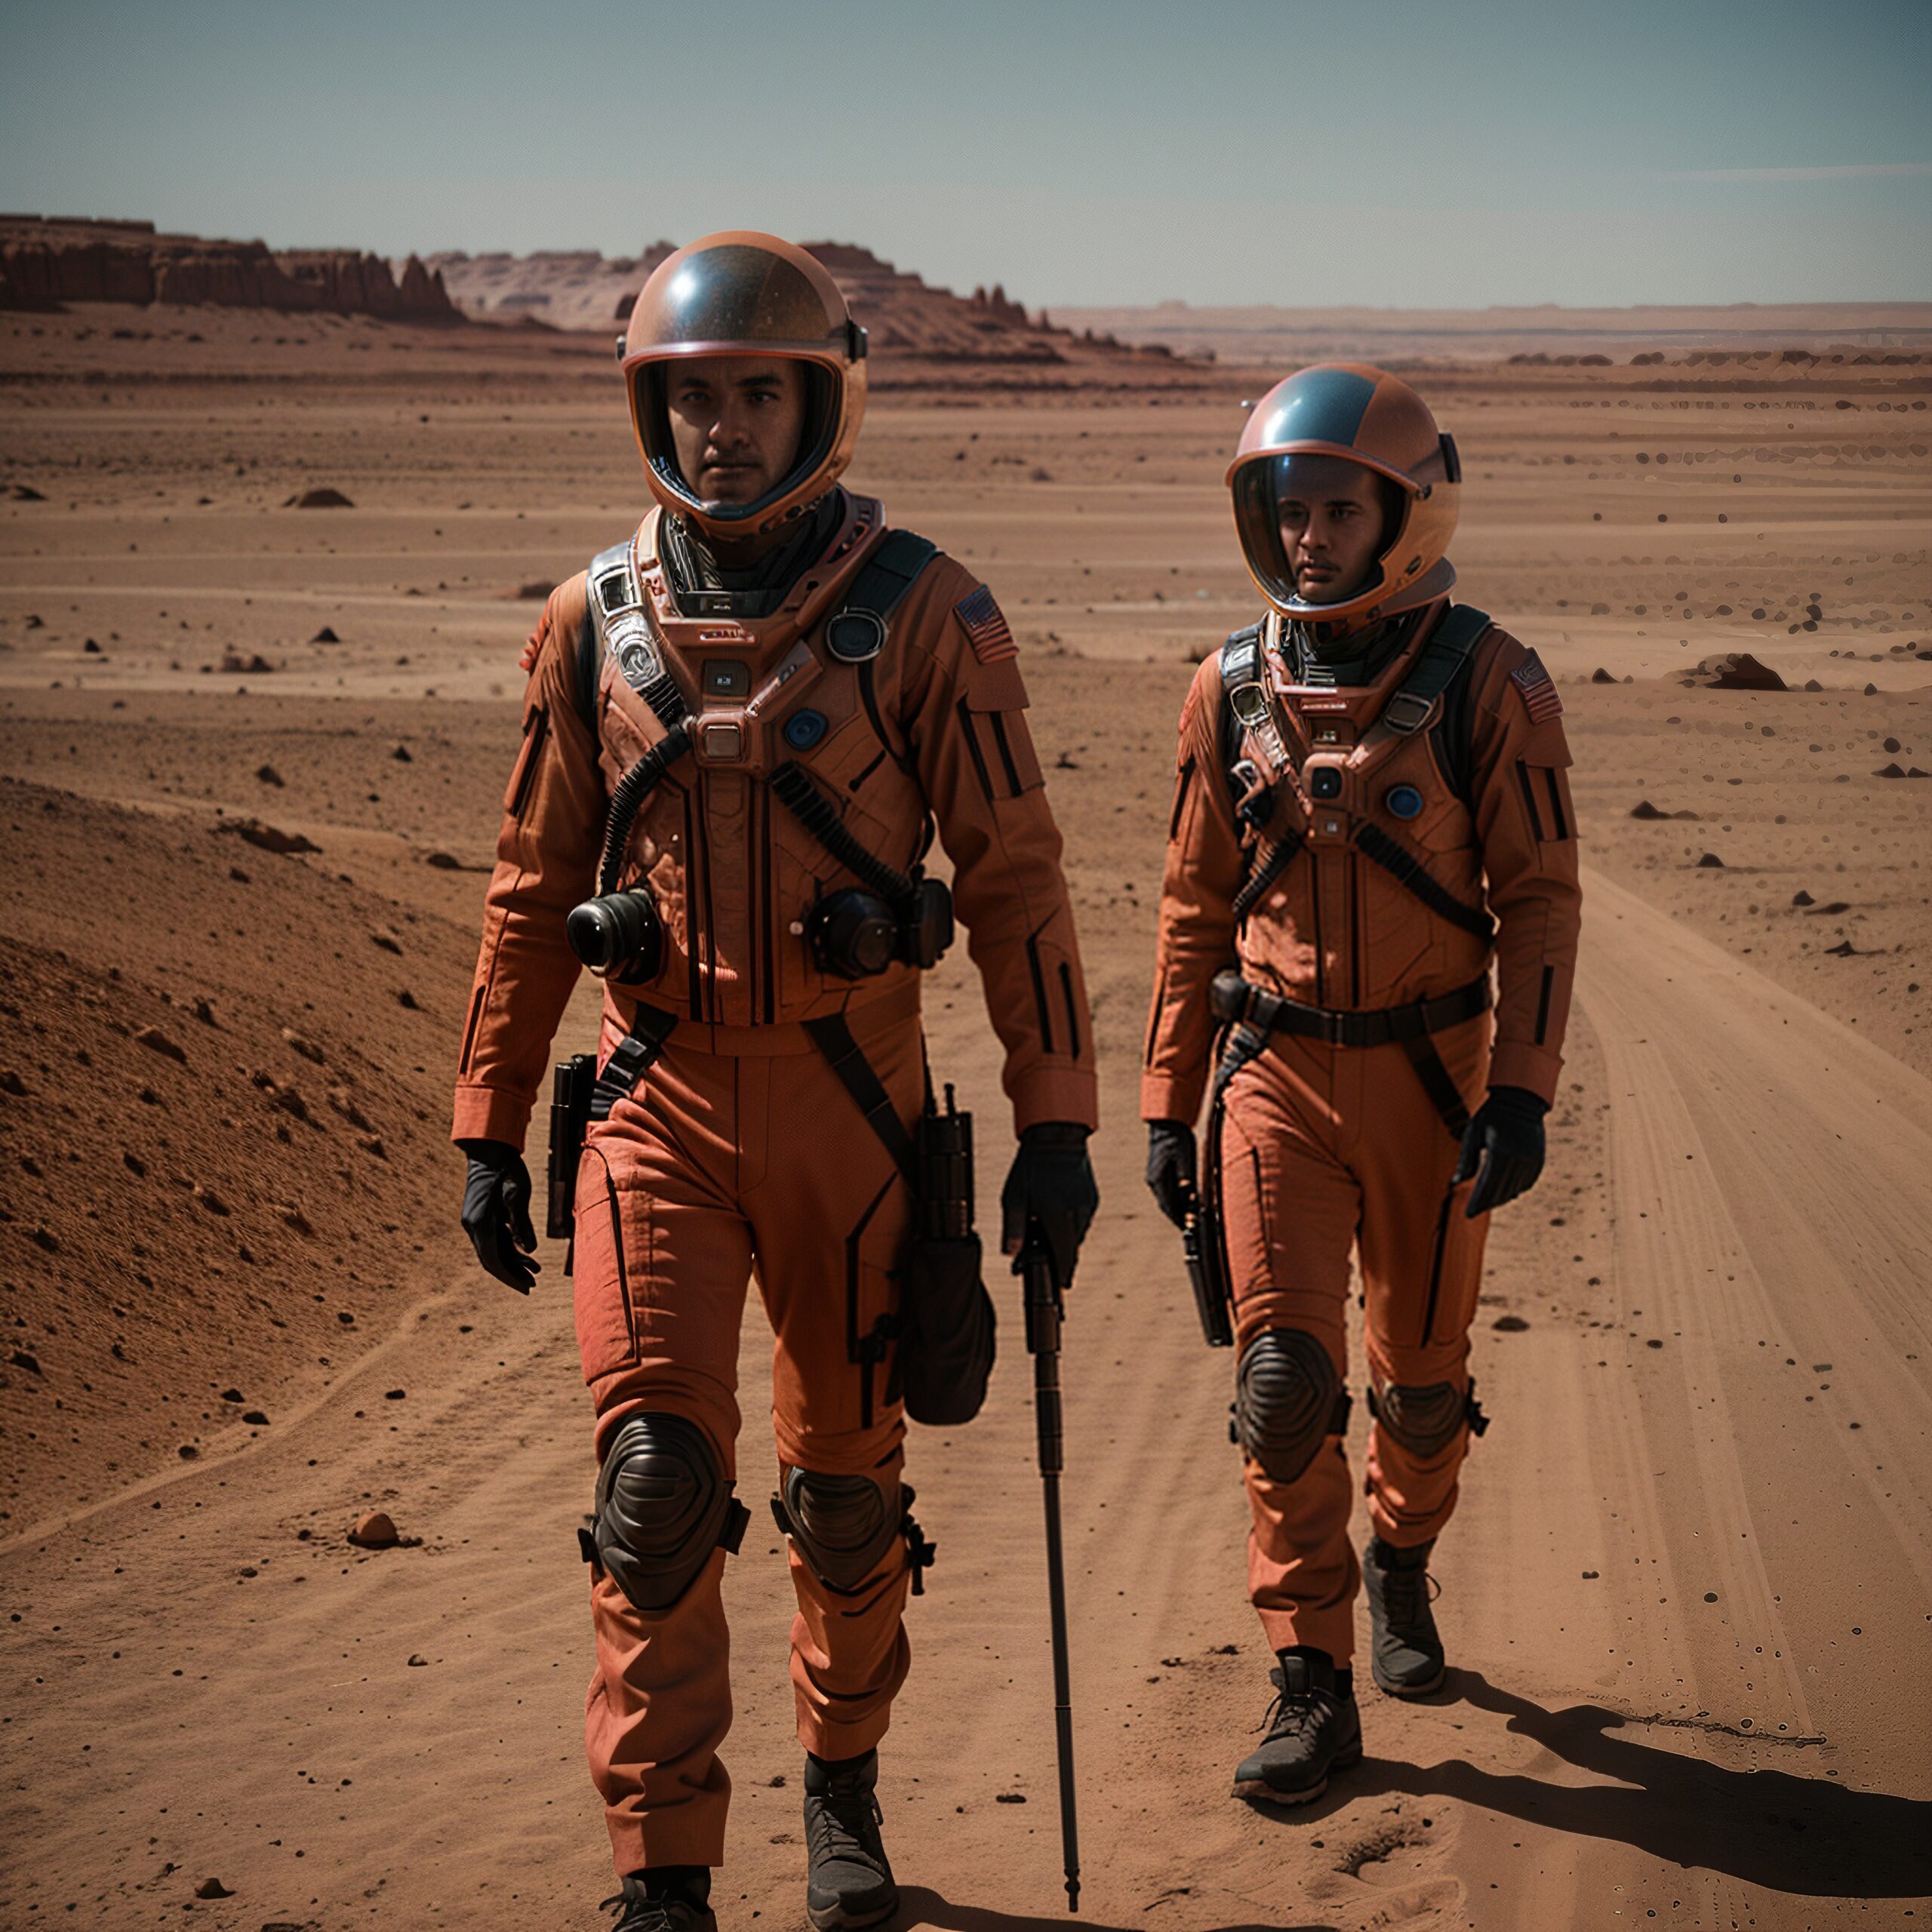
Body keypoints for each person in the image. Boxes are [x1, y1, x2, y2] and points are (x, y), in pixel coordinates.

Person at [452, 232, 1099, 1931]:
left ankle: (841, 1787)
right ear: (649, 409)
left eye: (756, 390)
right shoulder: (587, 622)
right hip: (652, 1107)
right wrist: (487, 1117)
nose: (723, 426)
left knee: (844, 1498)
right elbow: (531, 890)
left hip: (853, 1116)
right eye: (692, 396)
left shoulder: (931, 615)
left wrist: (1056, 1127)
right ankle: (660, 1867)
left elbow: (1017, 877)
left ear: (822, 399)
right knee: (653, 1491)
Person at [1141, 364, 1581, 1805]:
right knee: (1281, 1386)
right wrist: (1166, 1098)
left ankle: (1400, 1556)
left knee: (1421, 1387)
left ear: (1406, 510)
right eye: (1289, 507)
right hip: (1275, 1077)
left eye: (1339, 508)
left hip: (1436, 1084)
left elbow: (1543, 900)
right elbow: (1192, 908)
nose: (1310, 535)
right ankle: (1310, 1679)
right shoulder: (1230, 687)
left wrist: (1520, 1088)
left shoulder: (1489, 683)